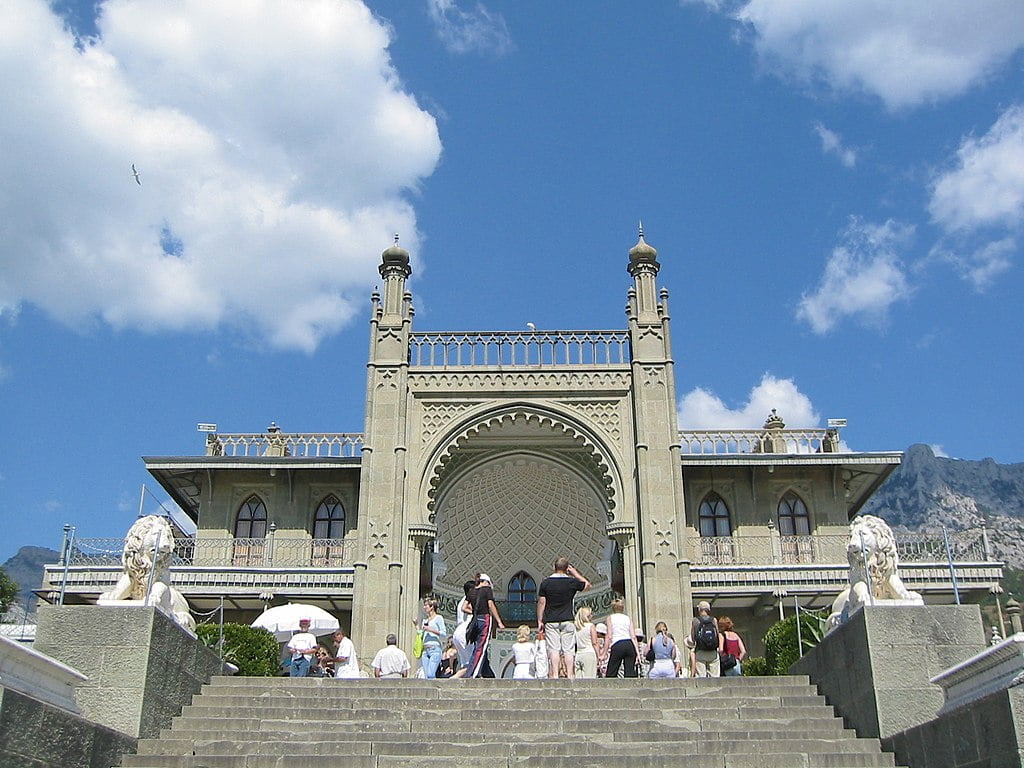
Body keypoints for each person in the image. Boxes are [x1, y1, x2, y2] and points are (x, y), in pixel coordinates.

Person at [537, 557, 591, 680]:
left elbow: (541, 602)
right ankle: (570, 674)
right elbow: (588, 585)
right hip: (567, 619)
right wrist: (575, 573)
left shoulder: (546, 583)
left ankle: (555, 675)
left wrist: (540, 620)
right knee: (568, 649)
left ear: (554, 567)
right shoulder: (571, 582)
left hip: (551, 620)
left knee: (554, 649)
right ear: (567, 569)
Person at [467, 573, 505, 678]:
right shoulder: (486, 590)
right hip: (485, 620)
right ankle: (472, 673)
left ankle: (476, 672)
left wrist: (474, 612)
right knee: (481, 648)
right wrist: (499, 621)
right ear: (485, 582)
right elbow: (490, 604)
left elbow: (464, 607)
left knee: (477, 647)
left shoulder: (471, 592)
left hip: (475, 621)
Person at [602, 599, 640, 678]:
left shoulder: (610, 618)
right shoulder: (627, 618)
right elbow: (633, 636)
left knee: (611, 672)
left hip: (617, 644)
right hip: (629, 644)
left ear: (613, 608)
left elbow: (609, 636)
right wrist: (638, 653)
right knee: (630, 672)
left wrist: (604, 653)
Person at [413, 598, 447, 679]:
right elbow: (421, 634)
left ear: (432, 607)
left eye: (426, 605)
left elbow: (443, 633)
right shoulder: (425, 620)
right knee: (426, 676)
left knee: (431, 674)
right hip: (425, 650)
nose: (424, 607)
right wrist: (417, 625)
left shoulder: (438, 618)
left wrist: (430, 629)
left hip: (434, 649)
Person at [451, 579, 476, 676]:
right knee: (472, 662)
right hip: (465, 633)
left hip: (458, 632)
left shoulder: (462, 601)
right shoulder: (468, 601)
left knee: (465, 662)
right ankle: (454, 678)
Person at [690, 600, 721, 678]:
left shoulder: (695, 620)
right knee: (715, 676)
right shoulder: (714, 620)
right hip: (713, 651)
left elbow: (693, 637)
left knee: (701, 676)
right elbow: (717, 634)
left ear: (699, 609)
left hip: (700, 651)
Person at [573, 606, 600, 679]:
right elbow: (595, 642)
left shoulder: (576, 627)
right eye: (590, 614)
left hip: (579, 654)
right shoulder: (591, 626)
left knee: (578, 680)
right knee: (589, 679)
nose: (592, 616)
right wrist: (598, 656)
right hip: (589, 653)